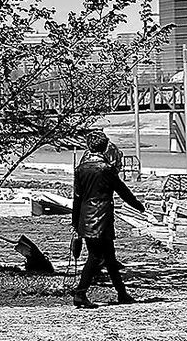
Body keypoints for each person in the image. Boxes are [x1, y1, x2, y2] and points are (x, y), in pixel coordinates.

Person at [70, 130, 144, 309]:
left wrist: (75, 222)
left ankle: (122, 293)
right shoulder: (107, 169)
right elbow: (122, 190)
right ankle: (80, 293)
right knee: (96, 257)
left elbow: (77, 198)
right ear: (104, 148)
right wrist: (138, 206)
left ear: (89, 147)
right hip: (102, 217)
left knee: (109, 257)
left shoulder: (80, 169)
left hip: (86, 218)